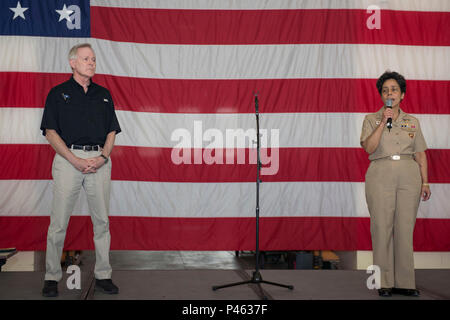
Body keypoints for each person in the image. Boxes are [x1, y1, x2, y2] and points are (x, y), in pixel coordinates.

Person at [40, 43, 121, 297]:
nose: (92, 63)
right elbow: (50, 132)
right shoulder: (57, 93)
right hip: (67, 161)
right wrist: (74, 159)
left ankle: (103, 275)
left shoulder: (104, 94)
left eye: (94, 59)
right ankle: (52, 277)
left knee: (102, 222)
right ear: (72, 63)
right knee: (58, 223)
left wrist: (103, 157)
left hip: (98, 161)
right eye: (86, 59)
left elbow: (111, 130)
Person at [360, 71, 431, 297]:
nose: (389, 93)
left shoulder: (413, 122)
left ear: (402, 94)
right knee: (381, 229)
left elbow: (420, 154)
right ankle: (383, 282)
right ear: (381, 96)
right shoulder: (371, 119)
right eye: (385, 90)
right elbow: (369, 148)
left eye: (394, 89)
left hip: (409, 175)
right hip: (380, 173)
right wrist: (383, 122)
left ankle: (405, 282)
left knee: (405, 229)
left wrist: (425, 182)